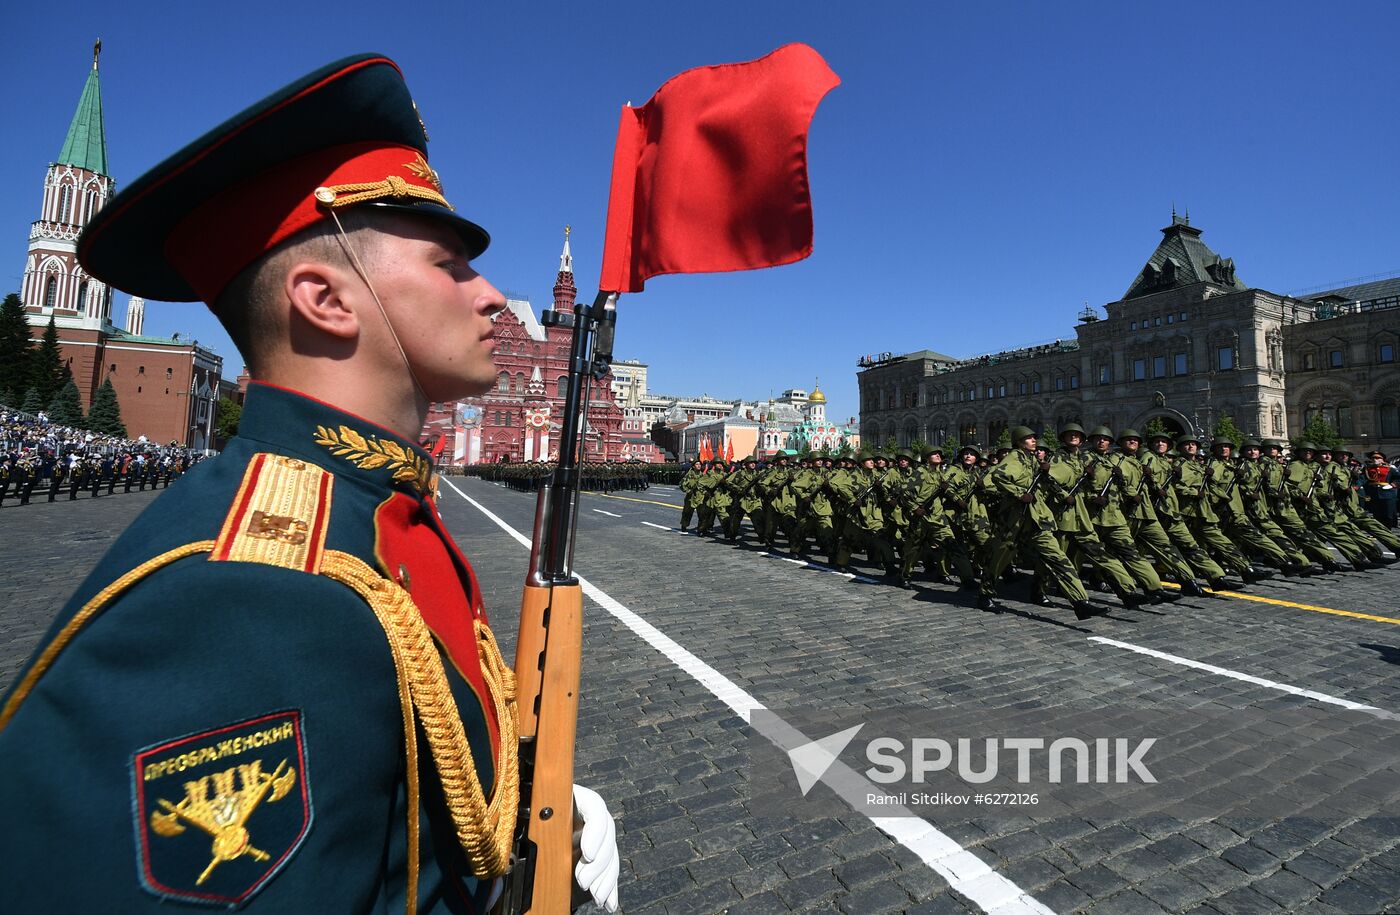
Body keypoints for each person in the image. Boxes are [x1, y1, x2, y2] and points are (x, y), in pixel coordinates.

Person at [0, 55, 618, 912]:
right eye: (451, 266)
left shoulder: (373, 511)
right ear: (326, 299)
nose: (493, 299)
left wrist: (510, 842)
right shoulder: (249, 600)